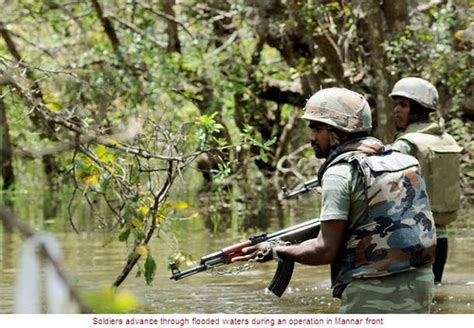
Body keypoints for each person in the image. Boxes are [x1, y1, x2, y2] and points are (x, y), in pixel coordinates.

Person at [233, 87, 437, 314]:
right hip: (421, 281)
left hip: (373, 289)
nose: (311, 137)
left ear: (339, 132)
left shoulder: (340, 173)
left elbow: (325, 250)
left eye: (317, 129)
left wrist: (276, 251)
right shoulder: (404, 160)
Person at [389, 77, 463, 284]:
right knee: (432, 295)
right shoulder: (446, 139)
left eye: (403, 105)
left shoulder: (406, 144)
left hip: (413, 238)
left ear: (418, 109)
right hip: (441, 238)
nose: (396, 110)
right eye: (396, 104)